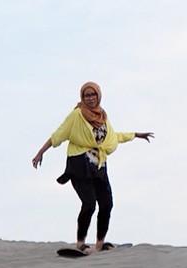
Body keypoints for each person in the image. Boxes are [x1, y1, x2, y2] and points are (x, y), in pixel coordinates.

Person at [32, 82, 153, 253]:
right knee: (89, 204)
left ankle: (99, 243)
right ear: (82, 97)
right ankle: (80, 243)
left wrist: (135, 135)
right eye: (86, 95)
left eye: (93, 95)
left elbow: (113, 137)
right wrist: (40, 153)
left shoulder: (103, 117)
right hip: (79, 166)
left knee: (107, 204)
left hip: (99, 167)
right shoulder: (77, 115)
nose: (90, 98)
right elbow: (58, 134)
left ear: (98, 96)